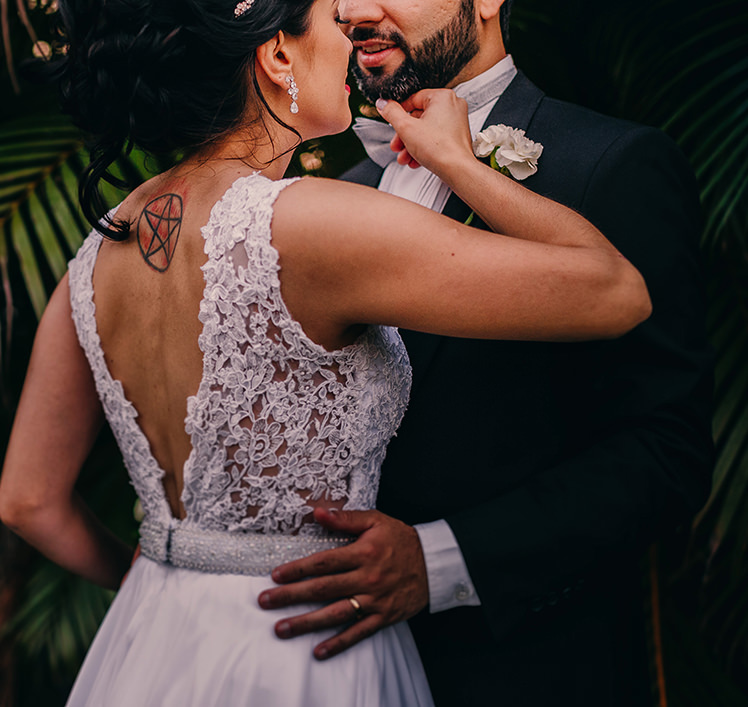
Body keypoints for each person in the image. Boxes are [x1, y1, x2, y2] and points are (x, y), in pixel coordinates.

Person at [0, 0, 651, 704]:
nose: (349, 31)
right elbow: (616, 291)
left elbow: (28, 501)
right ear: (278, 55)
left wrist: (165, 572)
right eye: (327, 18)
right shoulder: (308, 222)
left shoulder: (97, 255)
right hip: (296, 653)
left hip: (156, 635)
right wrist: (458, 163)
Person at [256, 1, 715, 705]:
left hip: (534, 668)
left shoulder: (613, 164)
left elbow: (667, 451)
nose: (353, 11)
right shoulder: (339, 198)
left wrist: (441, 560)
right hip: (340, 665)